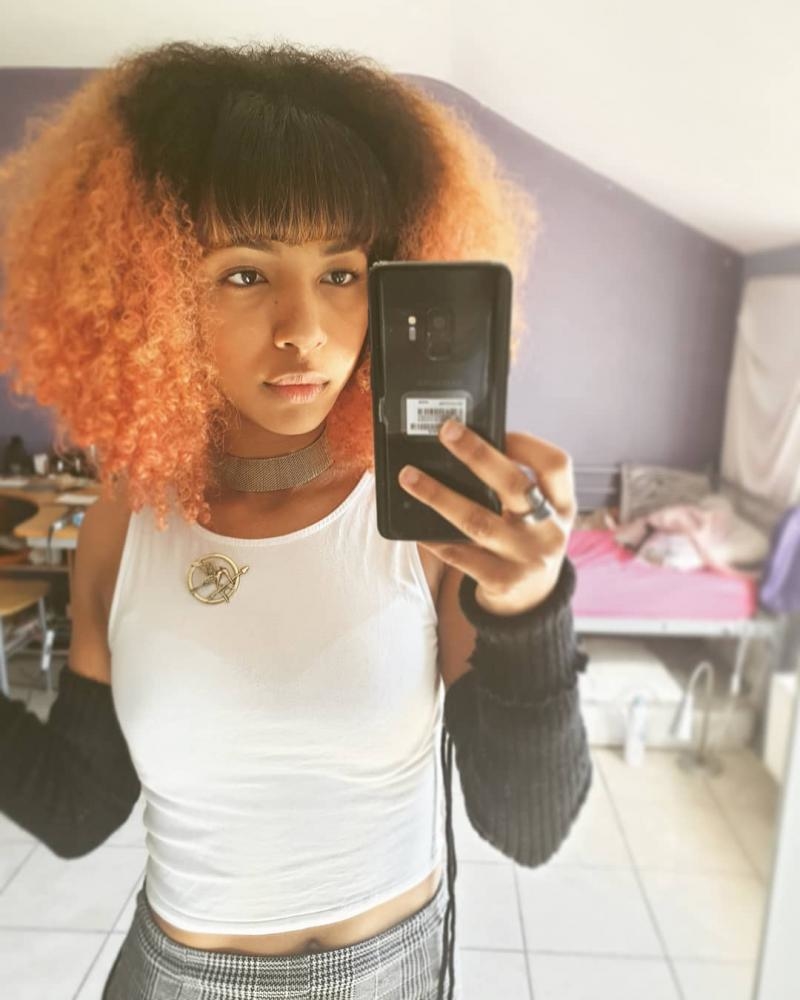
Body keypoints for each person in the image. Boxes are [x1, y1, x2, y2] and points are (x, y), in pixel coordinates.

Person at [0, 41, 593, 1000]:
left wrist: (531, 608)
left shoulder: (426, 519)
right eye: (244, 274)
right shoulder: (126, 522)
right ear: (154, 296)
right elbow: (78, 804)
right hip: (178, 977)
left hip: (390, 973)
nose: (304, 329)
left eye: (342, 273)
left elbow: (529, 826)